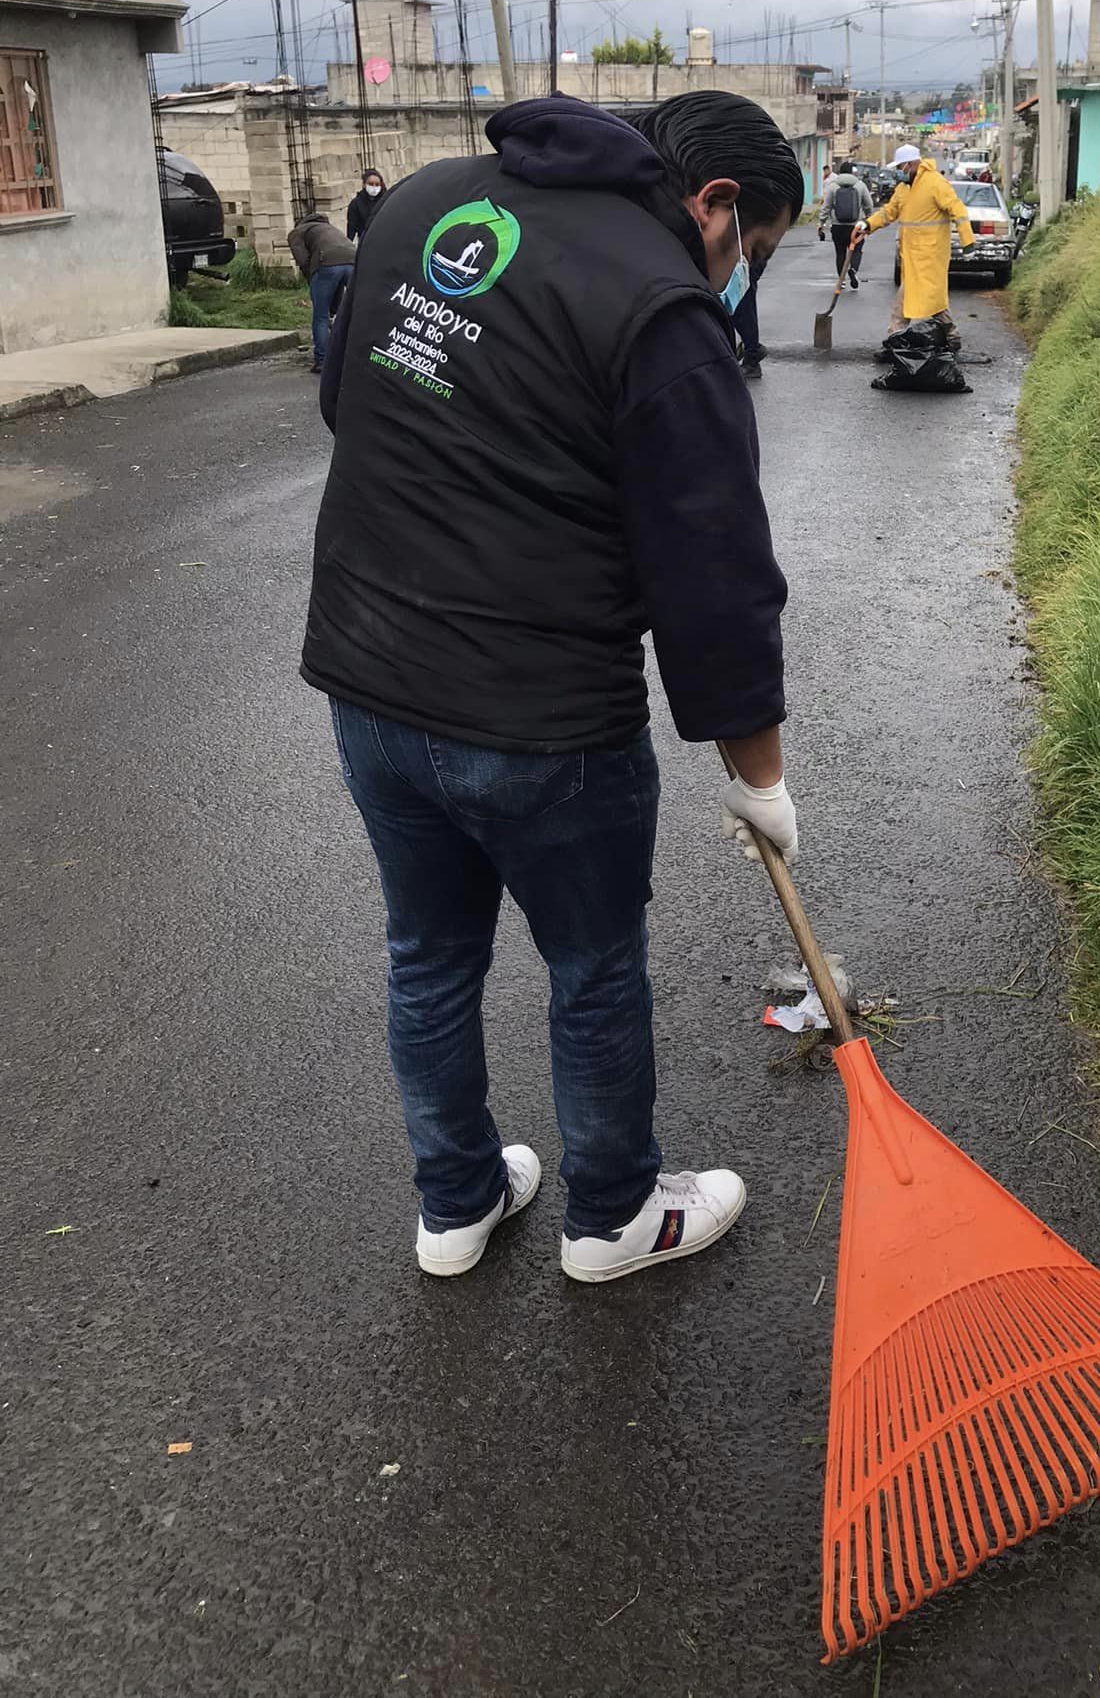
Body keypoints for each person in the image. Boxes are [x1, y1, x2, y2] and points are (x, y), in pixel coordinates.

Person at [304, 90, 804, 1285]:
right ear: (716, 203)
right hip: (541, 719)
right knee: (591, 964)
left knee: (428, 951)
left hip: (368, 679)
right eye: (760, 254)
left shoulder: (423, 204)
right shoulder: (666, 307)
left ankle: (457, 1203)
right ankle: (615, 1216)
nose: (743, 280)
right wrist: (760, 778)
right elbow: (714, 579)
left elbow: (344, 398)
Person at [856, 143, 974, 338]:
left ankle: (901, 339)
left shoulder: (935, 183)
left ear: (909, 165)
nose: (897, 172)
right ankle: (939, 337)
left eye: (898, 167)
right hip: (911, 257)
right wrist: (867, 225)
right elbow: (888, 213)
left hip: (930, 257)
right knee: (921, 302)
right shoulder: (903, 189)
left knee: (924, 302)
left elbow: (957, 209)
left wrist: (967, 239)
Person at [287, 212, 355, 374]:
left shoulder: (297, 232)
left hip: (326, 263)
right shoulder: (330, 229)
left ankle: (322, 361)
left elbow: (302, 258)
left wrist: (312, 278)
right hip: (352, 260)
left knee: (321, 316)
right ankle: (353, 355)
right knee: (351, 311)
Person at [818, 159, 873, 288]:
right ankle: (853, 270)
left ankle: (841, 280)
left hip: (838, 226)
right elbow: (869, 204)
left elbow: (826, 206)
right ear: (852, 172)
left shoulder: (833, 186)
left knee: (840, 252)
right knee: (857, 249)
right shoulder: (860, 185)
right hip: (856, 226)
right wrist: (868, 218)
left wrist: (822, 222)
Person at [346, 168, 389, 243]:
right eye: (371, 184)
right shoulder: (356, 204)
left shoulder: (386, 201)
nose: (374, 187)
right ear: (364, 185)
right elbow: (351, 227)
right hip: (365, 242)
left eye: (377, 184)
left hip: (384, 241)